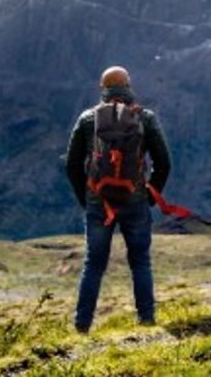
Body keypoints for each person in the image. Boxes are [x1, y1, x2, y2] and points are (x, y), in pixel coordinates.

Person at [64, 65, 173, 332]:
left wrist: (87, 199)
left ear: (103, 88)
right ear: (128, 86)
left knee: (93, 265)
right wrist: (146, 196)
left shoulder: (88, 119)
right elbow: (164, 163)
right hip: (135, 201)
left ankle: (82, 327)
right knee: (140, 263)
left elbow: (72, 165)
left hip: (98, 202)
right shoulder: (145, 118)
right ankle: (146, 321)